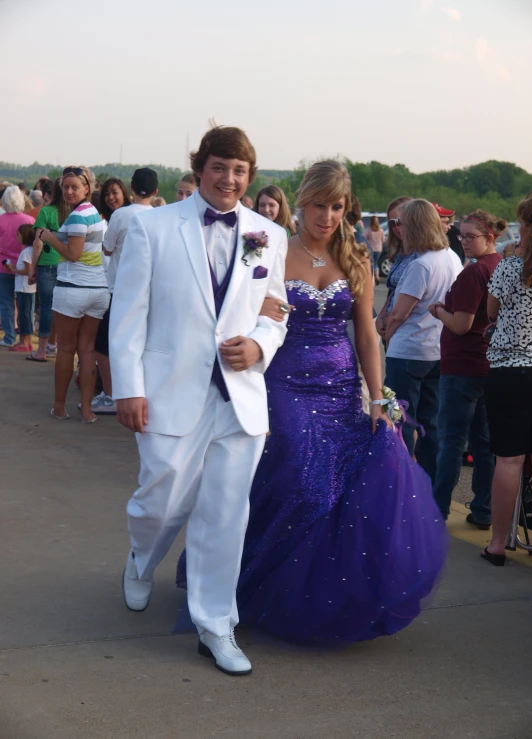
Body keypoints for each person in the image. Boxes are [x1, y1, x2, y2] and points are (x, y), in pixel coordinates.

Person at [177, 161, 447, 646]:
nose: (327, 216)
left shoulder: (357, 255)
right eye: (319, 204)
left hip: (341, 384)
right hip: (283, 379)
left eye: (337, 206)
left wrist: (379, 399)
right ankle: (245, 582)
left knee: (345, 487)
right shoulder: (265, 242)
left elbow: (366, 333)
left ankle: (321, 596)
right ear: (300, 203)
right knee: (304, 479)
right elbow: (233, 304)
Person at [110, 126, 288, 676]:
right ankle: (142, 555)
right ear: (200, 167)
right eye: (219, 167)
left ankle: (216, 625)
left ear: (249, 176)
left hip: (239, 399)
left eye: (239, 171)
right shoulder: (153, 227)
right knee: (160, 499)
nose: (229, 179)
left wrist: (259, 344)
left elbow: (275, 308)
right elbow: (129, 313)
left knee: (225, 515)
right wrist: (128, 387)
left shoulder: (267, 234)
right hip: (169, 390)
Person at [480, 192, 532, 568]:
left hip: (510, 371)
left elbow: (491, 310)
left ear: (527, 227)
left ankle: (497, 543)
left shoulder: (510, 268)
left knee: (508, 462)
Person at [429, 210, 505, 526]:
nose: (464, 242)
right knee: (484, 444)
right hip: (489, 364)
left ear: (489, 237)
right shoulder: (500, 265)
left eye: (471, 236)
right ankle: (484, 509)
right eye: (462, 235)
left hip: (463, 365)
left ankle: (438, 509)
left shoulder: (475, 273)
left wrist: (438, 311)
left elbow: (462, 325)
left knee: (451, 442)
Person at [385, 199, 462, 482]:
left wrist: (387, 338)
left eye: (401, 223)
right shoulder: (451, 257)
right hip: (436, 350)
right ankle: (431, 483)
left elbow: (399, 314)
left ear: (414, 225)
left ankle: (402, 482)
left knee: (400, 421)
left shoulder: (421, 264)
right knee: (431, 424)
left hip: (408, 351)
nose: (397, 228)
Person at [35, 166, 109, 423]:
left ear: (86, 188)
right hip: (98, 289)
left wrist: (50, 237)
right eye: (65, 187)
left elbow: (73, 254)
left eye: (74, 187)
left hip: (74, 288)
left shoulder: (78, 216)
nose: (68, 191)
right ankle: (87, 411)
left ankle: (59, 407)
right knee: (87, 350)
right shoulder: (94, 214)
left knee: (66, 350)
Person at [92, 168, 158, 414]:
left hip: (119, 289)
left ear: (130, 189)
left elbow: (107, 249)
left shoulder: (121, 215)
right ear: (155, 191)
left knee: (105, 346)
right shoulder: (161, 215)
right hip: (150, 291)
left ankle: (111, 396)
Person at [27, 178, 69, 362]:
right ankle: (60, 347)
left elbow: (38, 243)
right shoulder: (72, 213)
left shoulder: (45, 212)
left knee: (46, 308)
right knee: (65, 309)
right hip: (67, 264)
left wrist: (32, 268)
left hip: (47, 263)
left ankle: (42, 349)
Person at [0, 186, 35, 347]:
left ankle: (9, 336)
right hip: (25, 268)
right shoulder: (29, 220)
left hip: (3, 267)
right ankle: (26, 334)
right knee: (26, 305)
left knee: (6, 303)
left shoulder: (1, 220)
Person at [375, 196, 414, 340]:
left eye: (400, 222)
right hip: (392, 328)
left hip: (408, 334)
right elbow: (393, 290)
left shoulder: (421, 255)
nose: (396, 227)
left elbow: (410, 299)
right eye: (392, 223)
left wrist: (389, 327)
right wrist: (381, 317)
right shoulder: (402, 251)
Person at [4, 224, 37, 352]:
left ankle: (24, 341)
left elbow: (28, 271)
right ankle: (26, 340)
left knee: (25, 315)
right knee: (25, 314)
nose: (16, 237)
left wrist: (14, 269)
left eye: (18, 234)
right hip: (25, 287)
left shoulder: (26, 252)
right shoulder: (29, 251)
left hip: (24, 288)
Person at [364, 215, 386, 284]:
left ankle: (372, 277)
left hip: (371, 249)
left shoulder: (368, 230)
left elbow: (364, 238)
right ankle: (377, 276)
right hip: (379, 249)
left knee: (371, 263)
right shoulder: (381, 230)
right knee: (376, 263)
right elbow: (383, 239)